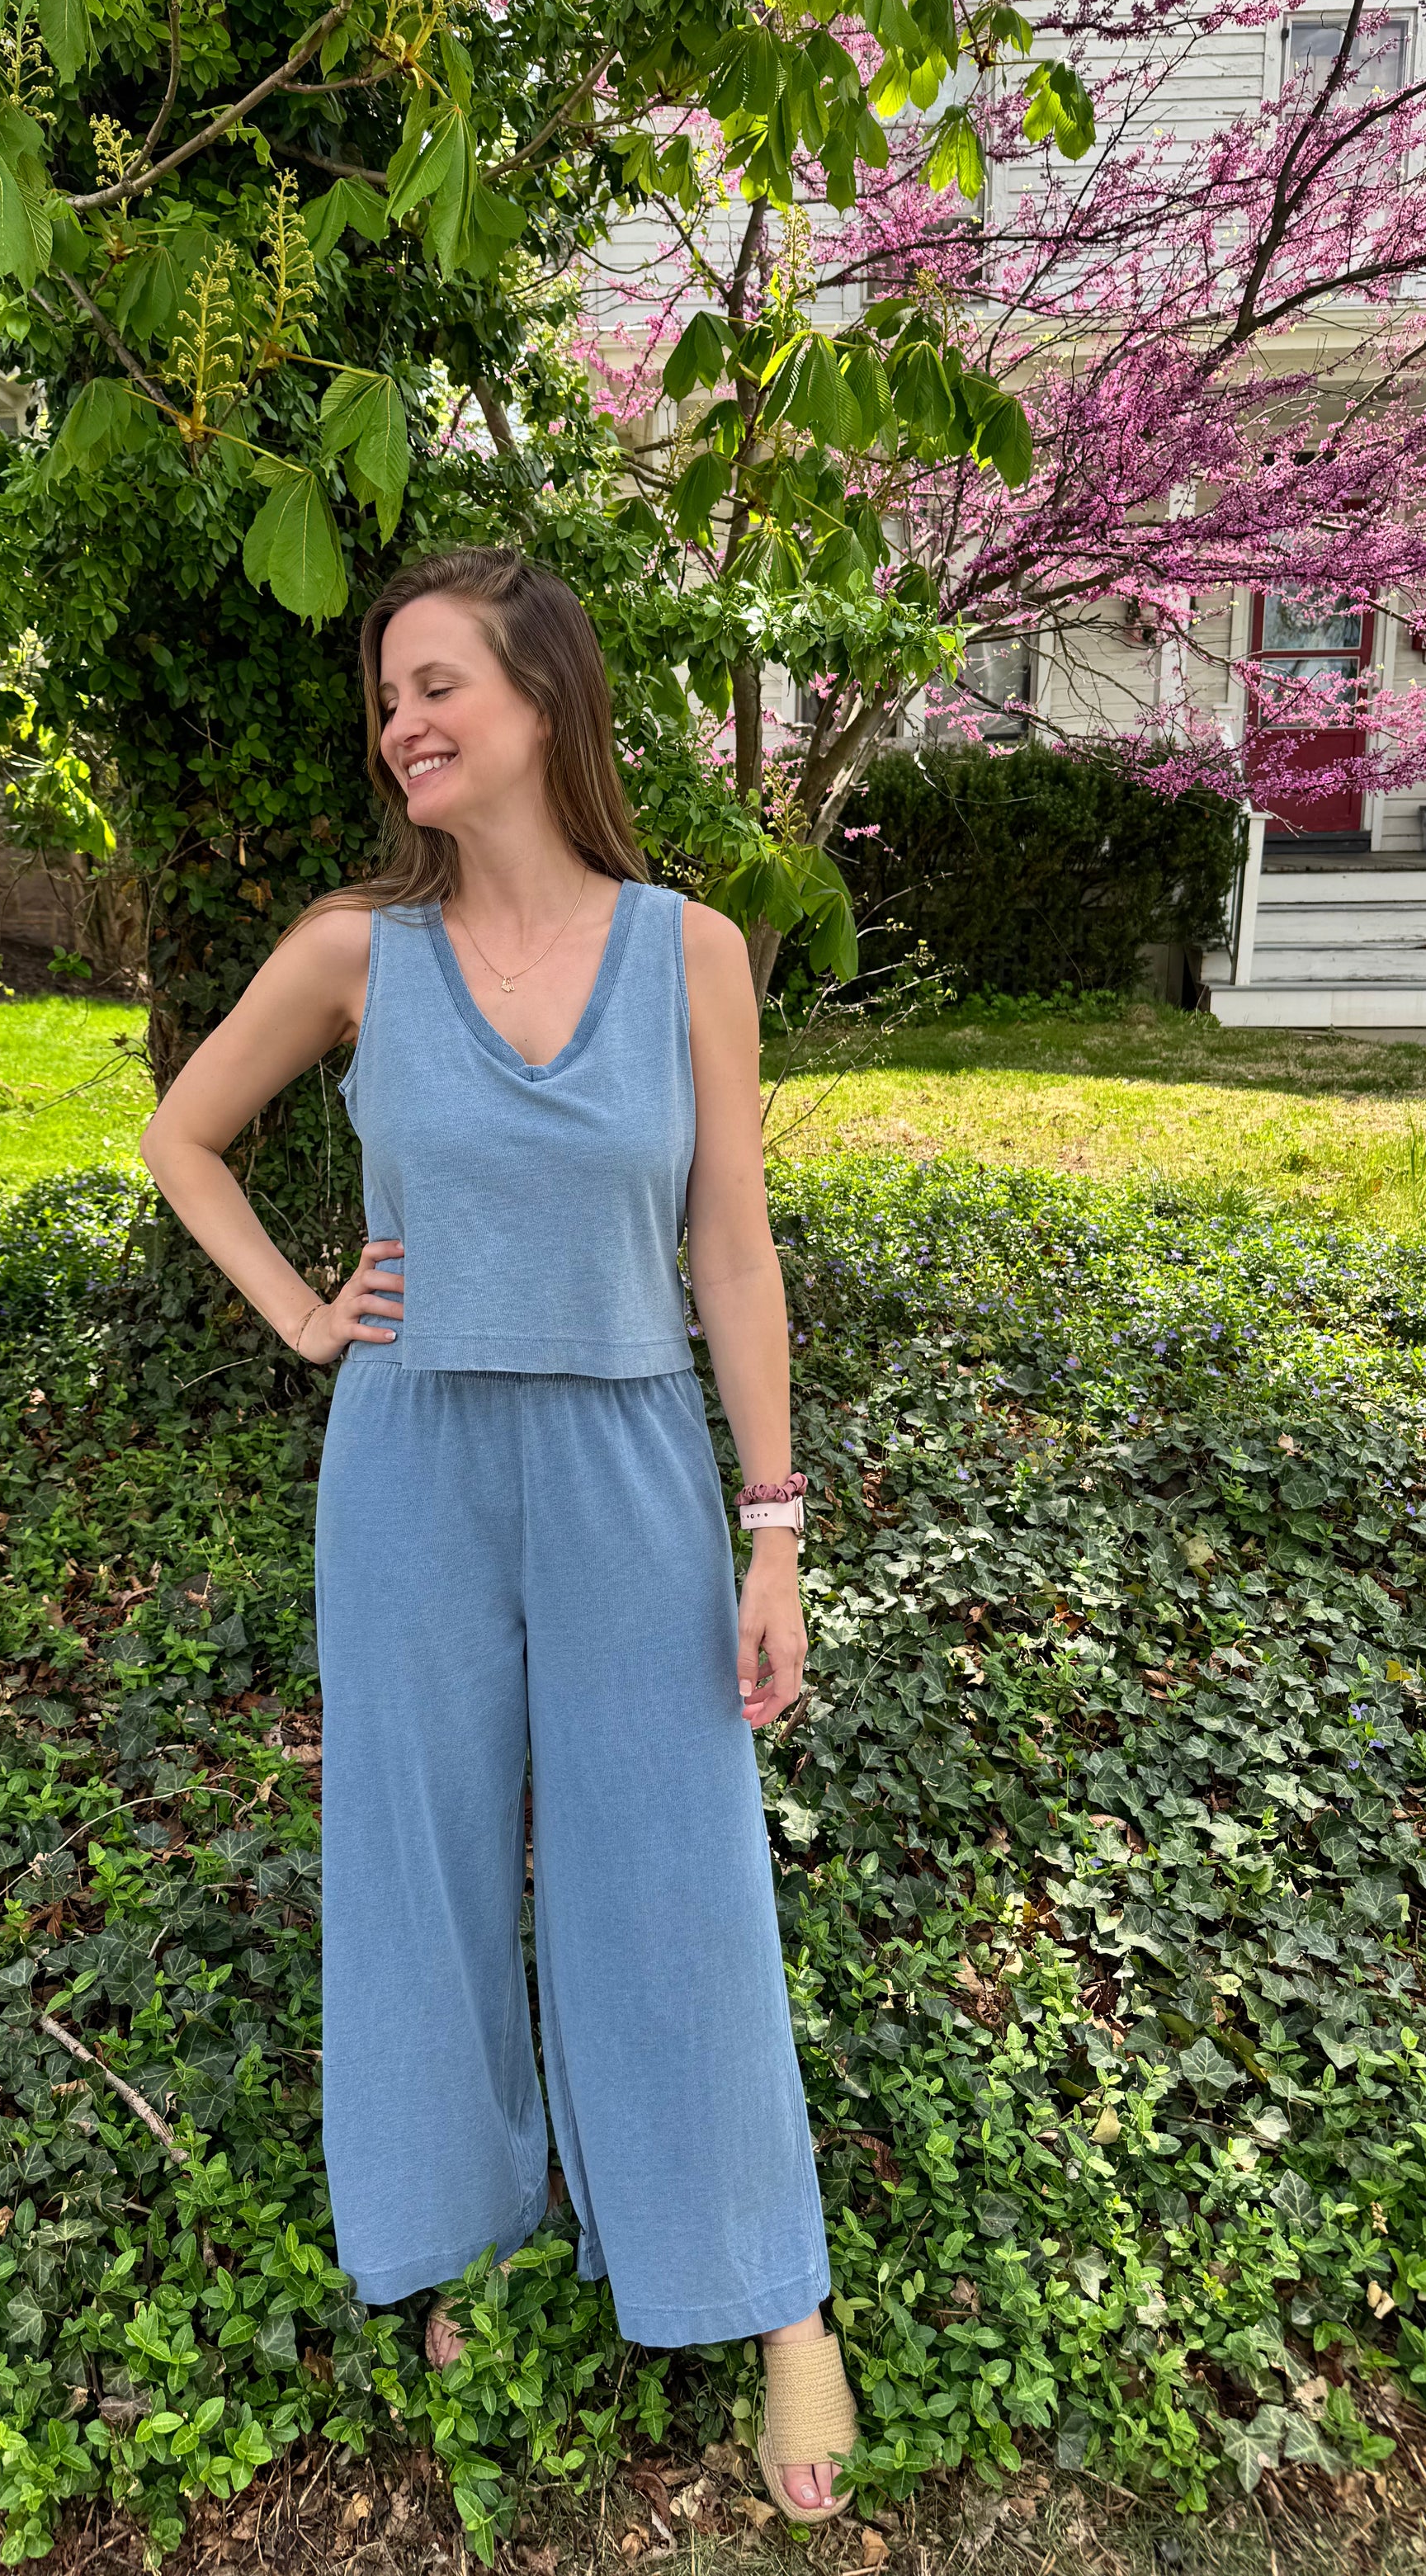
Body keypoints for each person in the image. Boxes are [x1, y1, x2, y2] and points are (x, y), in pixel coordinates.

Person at [139, 545, 860, 2522]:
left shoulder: (689, 951)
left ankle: (772, 2288)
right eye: (388, 698)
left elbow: (732, 1250)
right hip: (414, 1462)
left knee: (679, 1865)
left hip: (630, 1451)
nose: (404, 725)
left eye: (438, 683)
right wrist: (307, 1315)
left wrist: (775, 1530)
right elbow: (180, 1135)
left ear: (545, 697)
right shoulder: (355, 954)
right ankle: (465, 2231)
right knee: (424, 1862)